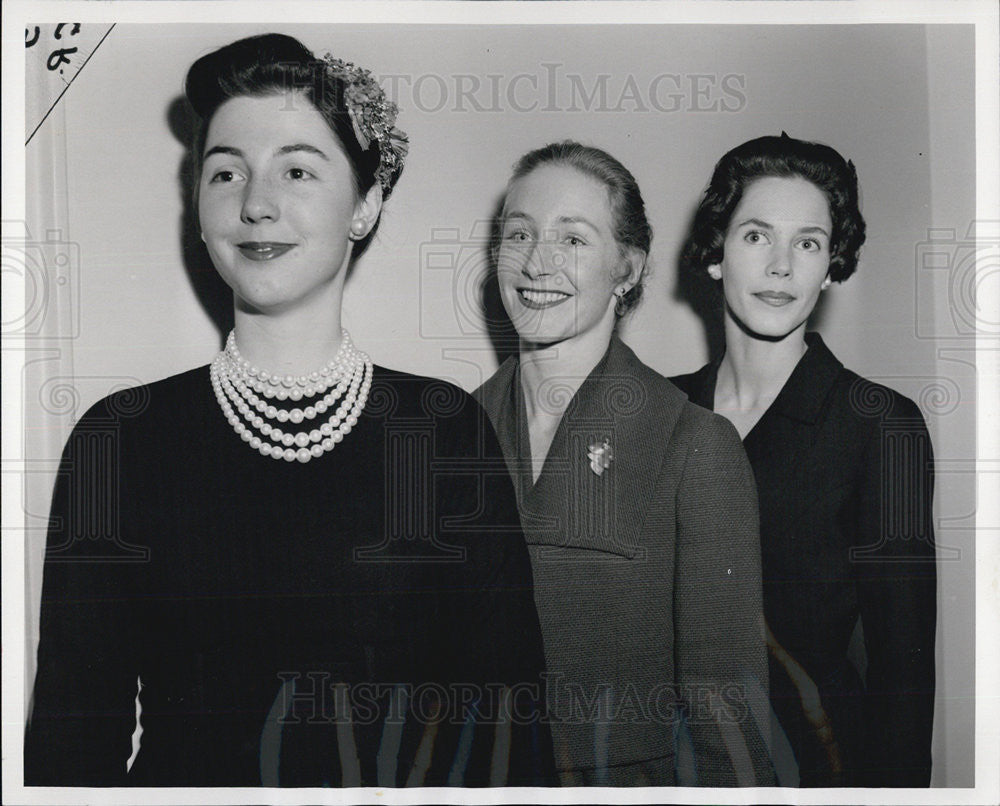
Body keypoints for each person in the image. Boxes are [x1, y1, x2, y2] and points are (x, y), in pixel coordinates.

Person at [25, 33, 554, 787]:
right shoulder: (121, 440)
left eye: (297, 170)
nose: (256, 204)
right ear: (198, 206)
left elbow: (507, 729)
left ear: (366, 204)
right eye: (225, 173)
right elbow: (72, 745)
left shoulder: (442, 431)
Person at [474, 141, 774, 786]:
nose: (536, 261)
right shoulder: (450, 432)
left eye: (574, 240)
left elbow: (728, 717)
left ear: (628, 269)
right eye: (518, 233)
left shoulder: (692, 444)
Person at [671, 133, 937, 787]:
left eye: (809, 242)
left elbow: (903, 672)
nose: (783, 267)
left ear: (830, 265)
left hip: (818, 770)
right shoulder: (662, 411)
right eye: (758, 236)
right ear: (714, 255)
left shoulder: (879, 425)